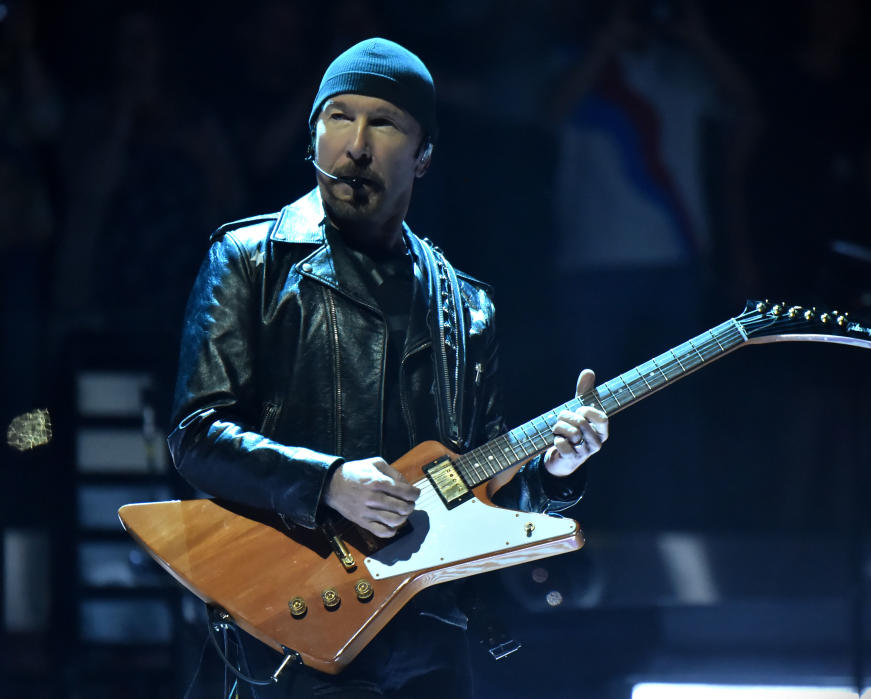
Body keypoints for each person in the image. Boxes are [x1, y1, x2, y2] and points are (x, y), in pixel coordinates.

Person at [167, 37, 609, 697]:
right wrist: (327, 482)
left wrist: (555, 474)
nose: (356, 144)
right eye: (338, 116)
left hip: (427, 638)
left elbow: (481, 489)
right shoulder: (250, 260)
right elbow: (196, 432)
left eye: (385, 123)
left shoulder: (468, 306)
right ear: (311, 134)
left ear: (424, 155)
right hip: (292, 633)